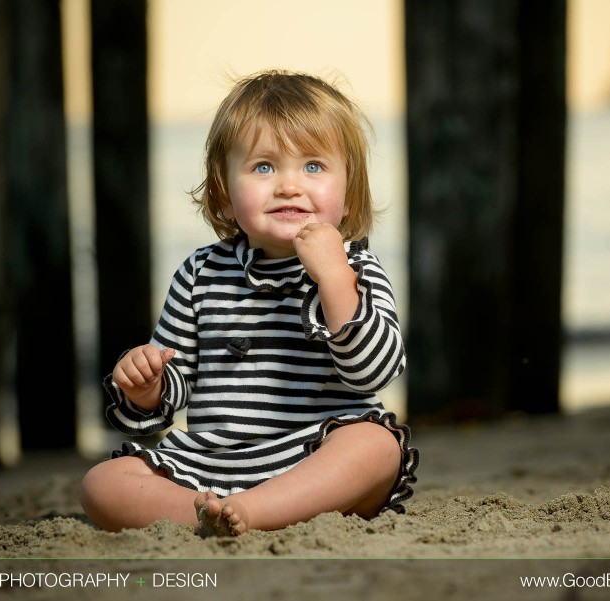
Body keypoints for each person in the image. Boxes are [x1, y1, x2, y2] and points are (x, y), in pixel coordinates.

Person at [80, 69, 418, 537]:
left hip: (314, 455)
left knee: (376, 445)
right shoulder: (201, 274)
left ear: (348, 194)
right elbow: (175, 384)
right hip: (212, 463)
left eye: (314, 167)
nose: (289, 185)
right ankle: (209, 513)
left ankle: (259, 511)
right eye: (263, 167)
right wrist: (147, 387)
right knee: (103, 483)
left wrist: (334, 278)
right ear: (222, 194)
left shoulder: (355, 268)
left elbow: (374, 372)